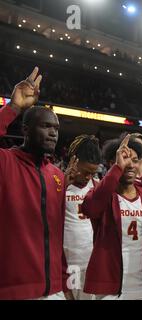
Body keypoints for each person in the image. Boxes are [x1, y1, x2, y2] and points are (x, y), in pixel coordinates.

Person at [0, 67, 69, 300]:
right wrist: (13, 108)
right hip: (14, 291)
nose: (53, 134)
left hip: (54, 290)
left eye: (56, 129)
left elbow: (57, 235)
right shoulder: (6, 162)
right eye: (46, 126)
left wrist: (64, 282)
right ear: (26, 129)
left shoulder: (57, 176)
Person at [81, 136, 142, 300]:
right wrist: (116, 168)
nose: (131, 165)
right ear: (112, 162)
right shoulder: (104, 194)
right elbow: (90, 209)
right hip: (110, 287)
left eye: (135, 160)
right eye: (125, 159)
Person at [63, 135, 102, 300]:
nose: (88, 177)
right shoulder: (58, 184)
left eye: (92, 173)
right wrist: (63, 184)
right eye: (85, 172)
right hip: (67, 260)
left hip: (91, 260)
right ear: (74, 161)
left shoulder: (98, 186)